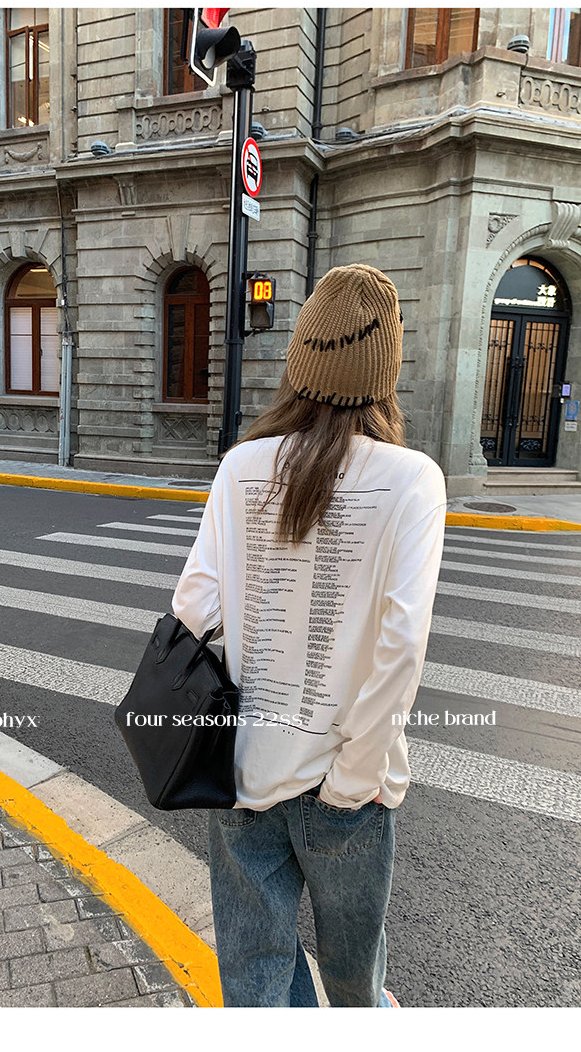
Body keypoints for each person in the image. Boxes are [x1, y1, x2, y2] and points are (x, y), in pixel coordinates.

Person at [171, 263, 446, 1008]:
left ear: (301, 361)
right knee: (355, 976)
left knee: (255, 972)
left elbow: (192, 610)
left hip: (244, 772)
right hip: (348, 783)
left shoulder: (242, 466)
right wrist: (353, 778)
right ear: (385, 372)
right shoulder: (413, 479)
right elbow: (401, 646)